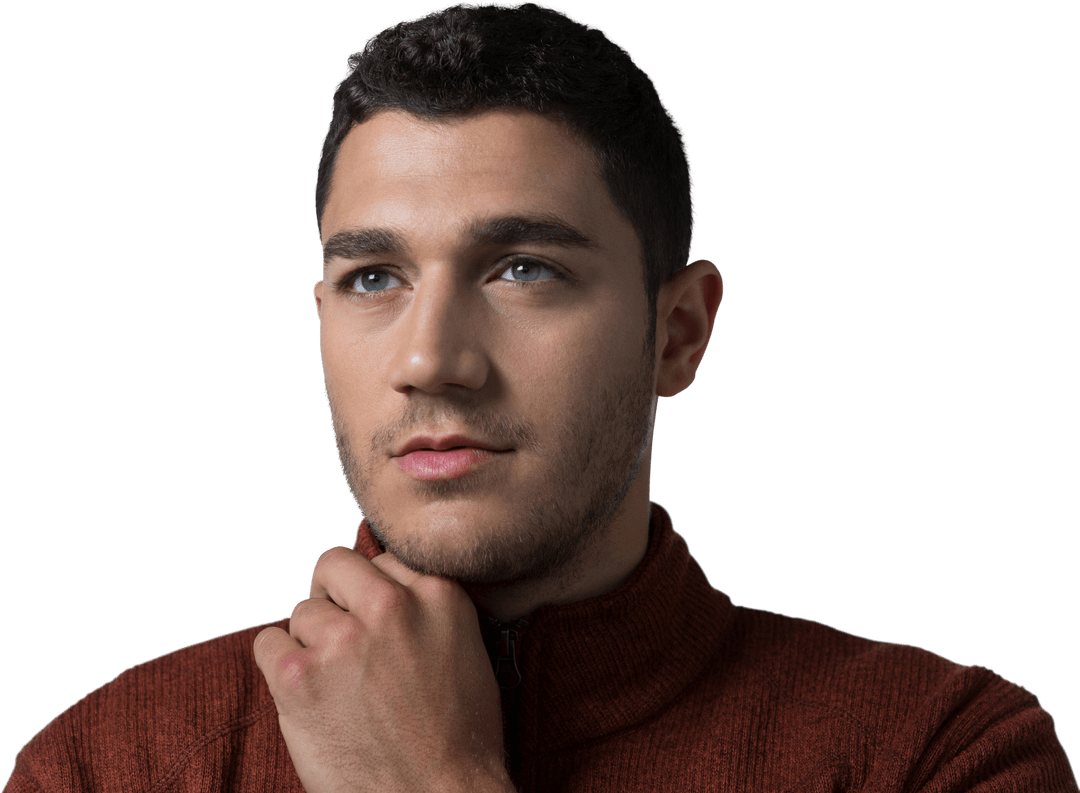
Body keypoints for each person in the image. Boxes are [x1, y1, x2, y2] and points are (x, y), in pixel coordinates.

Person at [5, 3, 1076, 792]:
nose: (433, 360)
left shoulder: (942, 752)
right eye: (373, 277)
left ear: (680, 332)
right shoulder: (109, 765)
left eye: (524, 268)